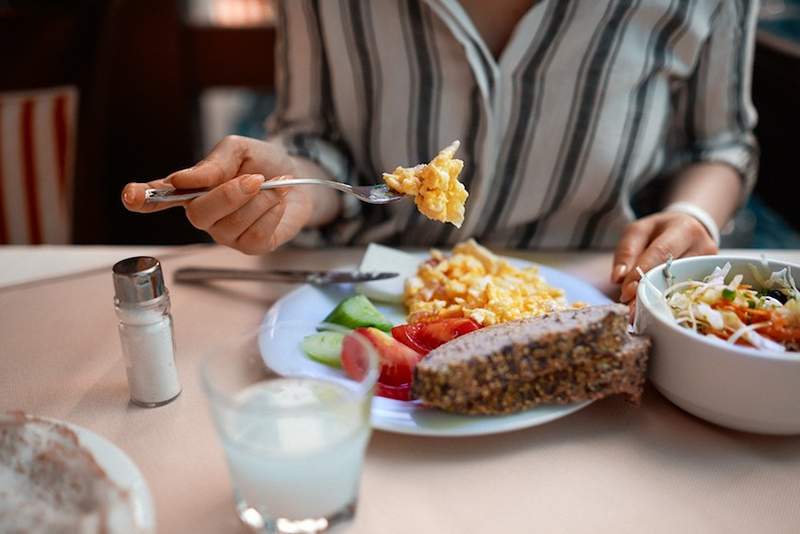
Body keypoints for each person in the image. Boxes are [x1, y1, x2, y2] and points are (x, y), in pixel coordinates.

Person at [122, 0, 759, 303]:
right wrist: (291, 189)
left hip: (599, 300)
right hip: (371, 295)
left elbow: (720, 143)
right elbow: (315, 141)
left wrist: (694, 219)